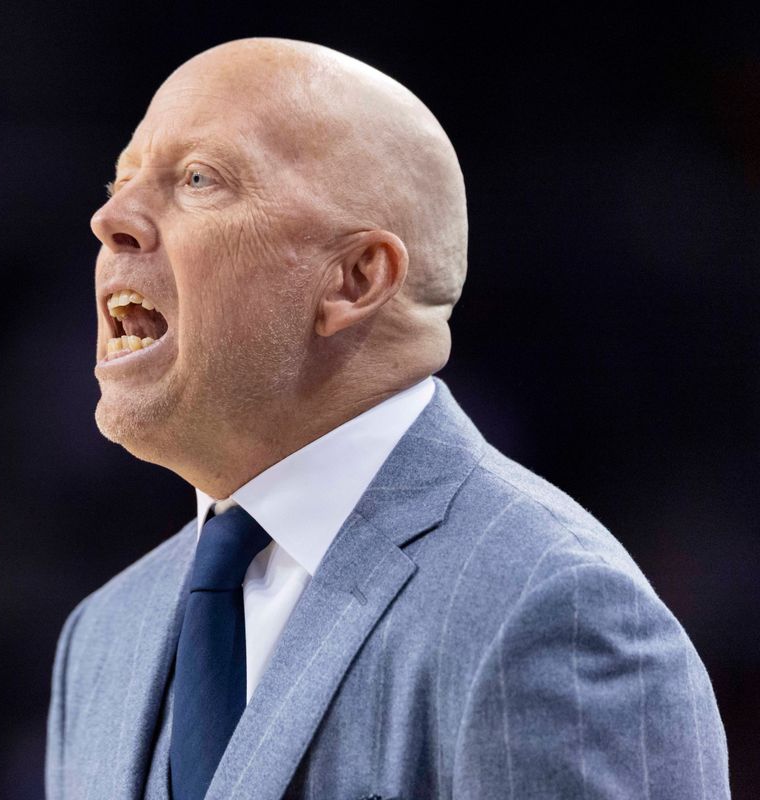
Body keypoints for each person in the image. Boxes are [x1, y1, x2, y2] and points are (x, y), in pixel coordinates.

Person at [46, 37, 730, 800]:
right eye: (122, 179)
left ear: (354, 278)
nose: (112, 218)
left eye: (200, 178)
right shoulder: (102, 638)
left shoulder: (551, 612)